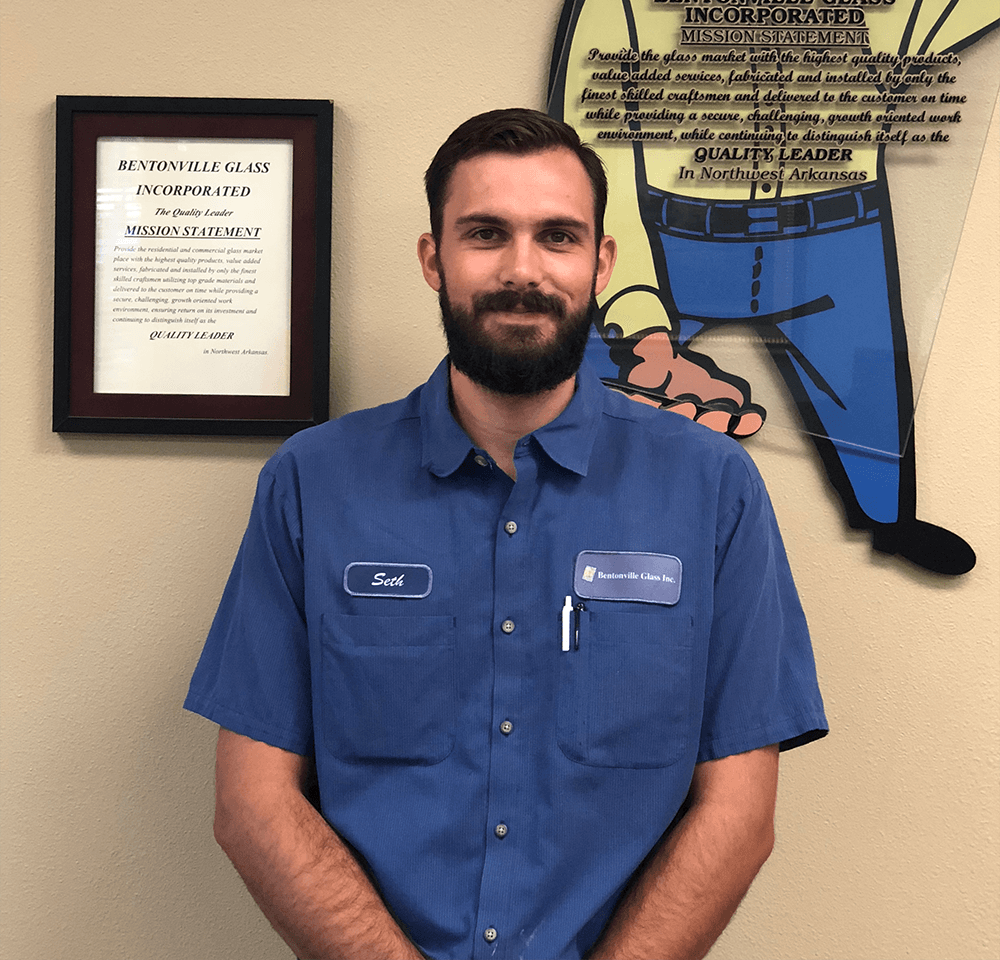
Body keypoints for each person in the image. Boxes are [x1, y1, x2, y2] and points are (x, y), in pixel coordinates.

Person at [185, 108, 827, 960]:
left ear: (599, 263)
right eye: (486, 233)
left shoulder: (712, 490)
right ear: (433, 258)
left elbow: (740, 812)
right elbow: (253, 804)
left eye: (557, 236)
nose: (523, 270)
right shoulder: (312, 482)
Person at [548, 0, 999, 575]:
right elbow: (598, 164)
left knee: (871, 410)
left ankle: (888, 519)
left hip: (833, 245)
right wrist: (641, 321)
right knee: (588, 385)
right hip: (676, 240)